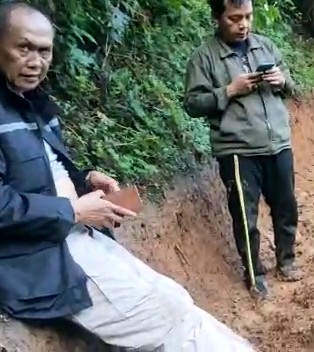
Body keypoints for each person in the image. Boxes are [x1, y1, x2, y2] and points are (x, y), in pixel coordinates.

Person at [0, 2, 253, 351]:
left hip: (72, 236)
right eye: (23, 47)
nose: (36, 61)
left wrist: (85, 180)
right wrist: (72, 211)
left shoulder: (31, 101)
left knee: (175, 299)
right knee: (166, 315)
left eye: (44, 51)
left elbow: (39, 173)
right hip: (38, 260)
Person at [184, 0, 302, 299]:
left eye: (248, 17)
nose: (243, 25)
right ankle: (255, 274)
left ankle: (287, 260)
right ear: (217, 18)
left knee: (286, 205)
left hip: (278, 142)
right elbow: (192, 104)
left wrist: (282, 80)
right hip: (237, 150)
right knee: (245, 216)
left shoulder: (265, 46)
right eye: (234, 18)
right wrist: (229, 90)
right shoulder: (204, 58)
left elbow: (291, 86)